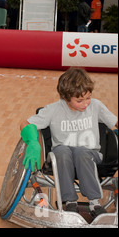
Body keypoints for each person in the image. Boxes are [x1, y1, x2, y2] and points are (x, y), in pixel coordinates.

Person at [20, 68, 118, 218]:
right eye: (80, 100)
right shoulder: (53, 110)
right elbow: (25, 123)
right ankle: (69, 201)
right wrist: (33, 142)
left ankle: (94, 202)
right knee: (61, 151)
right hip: (62, 157)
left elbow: (115, 122)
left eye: (88, 98)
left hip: (90, 155)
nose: (85, 104)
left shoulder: (96, 106)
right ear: (66, 98)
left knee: (80, 152)